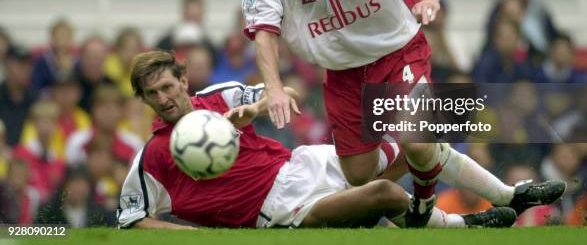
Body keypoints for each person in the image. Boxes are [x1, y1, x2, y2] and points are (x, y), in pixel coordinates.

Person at [241, 0, 564, 226]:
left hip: (399, 52)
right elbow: (264, 32)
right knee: (360, 175)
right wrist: (273, 89)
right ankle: (510, 196)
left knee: (417, 140)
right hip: (344, 74)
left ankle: (424, 208)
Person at [117, 50, 517, 229]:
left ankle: (508, 195)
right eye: (152, 94)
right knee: (386, 195)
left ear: (183, 80)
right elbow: (131, 221)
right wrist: (190, 237)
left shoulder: (220, 97)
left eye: (168, 87)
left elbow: (286, 93)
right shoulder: (154, 153)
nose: (164, 99)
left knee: (421, 136)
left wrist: (255, 109)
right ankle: (466, 227)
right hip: (279, 208)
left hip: (302, 163)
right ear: (144, 99)